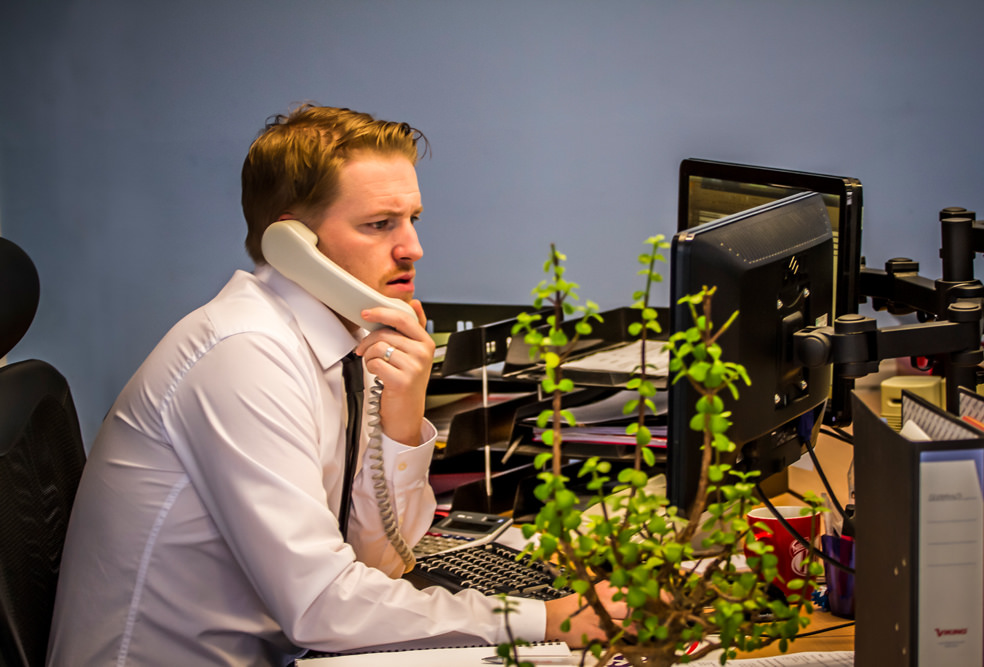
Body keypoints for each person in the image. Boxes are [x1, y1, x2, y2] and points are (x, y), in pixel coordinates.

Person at [47, 104, 615, 666]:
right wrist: (548, 619)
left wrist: (402, 412)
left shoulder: (349, 338)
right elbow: (321, 604)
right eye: (380, 224)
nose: (412, 247)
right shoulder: (246, 355)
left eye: (413, 219)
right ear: (293, 246)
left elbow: (380, 563)